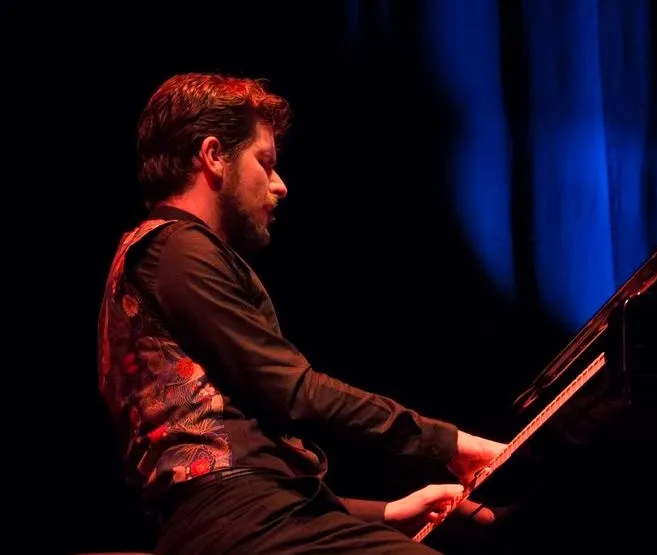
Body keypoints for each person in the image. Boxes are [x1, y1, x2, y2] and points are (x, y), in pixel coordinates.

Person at [97, 72, 507, 555]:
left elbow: (241, 460)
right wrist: (450, 443)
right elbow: (293, 392)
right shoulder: (176, 250)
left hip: (241, 521)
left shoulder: (157, 255)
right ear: (212, 156)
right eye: (265, 162)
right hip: (247, 527)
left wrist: (388, 512)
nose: (280, 185)